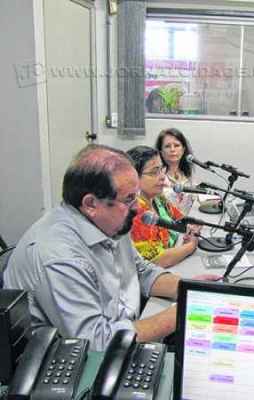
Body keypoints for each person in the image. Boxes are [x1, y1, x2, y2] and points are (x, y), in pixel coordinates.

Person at [4, 144, 218, 351]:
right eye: (129, 199)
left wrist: (188, 289)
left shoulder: (110, 221)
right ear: (90, 204)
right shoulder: (59, 255)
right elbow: (97, 342)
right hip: (73, 362)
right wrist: (181, 312)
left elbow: (140, 271)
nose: (137, 207)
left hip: (120, 330)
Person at [127, 145, 198, 268]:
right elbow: (158, 260)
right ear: (134, 178)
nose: (162, 177)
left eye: (161, 170)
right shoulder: (137, 213)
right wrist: (190, 246)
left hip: (177, 262)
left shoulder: (157, 198)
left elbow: (181, 220)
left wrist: (192, 227)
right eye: (154, 172)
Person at [155, 128, 196, 214]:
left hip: (186, 223)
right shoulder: (157, 176)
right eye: (167, 146)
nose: (172, 150)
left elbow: (193, 199)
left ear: (183, 149)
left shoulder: (187, 173)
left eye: (177, 145)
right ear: (161, 152)